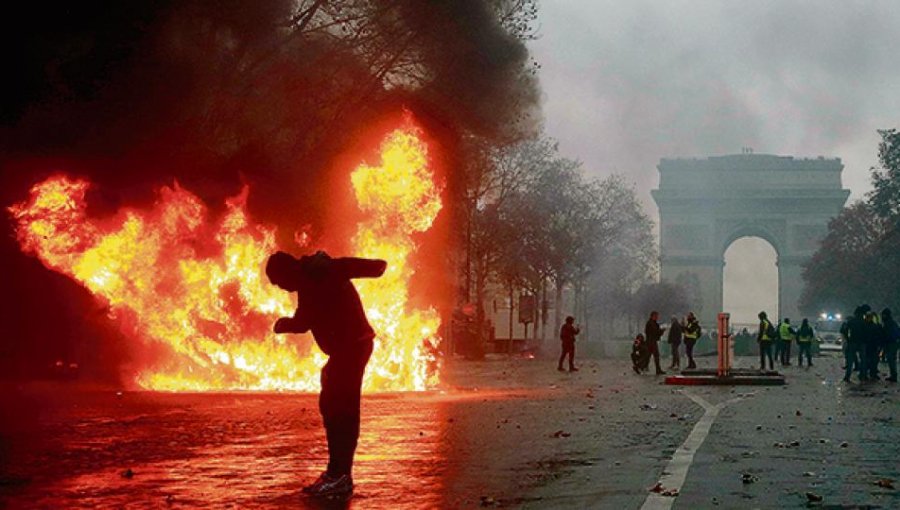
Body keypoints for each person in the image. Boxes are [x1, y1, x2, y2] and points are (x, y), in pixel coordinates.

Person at [266, 250, 386, 500]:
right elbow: (305, 319)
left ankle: (340, 475)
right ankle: (337, 473)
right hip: (345, 349)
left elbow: (377, 267)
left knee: (342, 410)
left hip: (353, 346)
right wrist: (287, 324)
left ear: (287, 271)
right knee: (332, 405)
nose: (282, 288)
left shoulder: (321, 272)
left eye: (279, 282)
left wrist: (339, 265)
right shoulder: (308, 281)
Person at [844, 306, 867, 382]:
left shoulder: (851, 321)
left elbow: (845, 330)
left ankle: (847, 376)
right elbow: (867, 332)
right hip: (862, 343)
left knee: (850, 360)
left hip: (852, 342)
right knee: (863, 360)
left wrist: (848, 339)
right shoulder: (864, 322)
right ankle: (862, 376)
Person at [881, 308, 899, 382]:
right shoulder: (892, 322)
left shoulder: (888, 323)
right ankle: (893, 375)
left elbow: (886, 334)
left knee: (891, 360)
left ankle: (893, 376)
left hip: (890, 343)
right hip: (894, 343)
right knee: (892, 359)